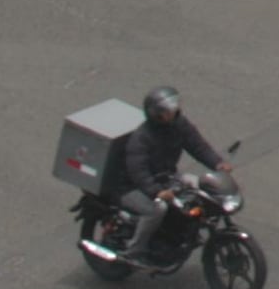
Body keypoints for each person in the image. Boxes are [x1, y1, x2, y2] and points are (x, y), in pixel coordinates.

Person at [88, 85, 229, 262]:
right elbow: (138, 171)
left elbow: (197, 146)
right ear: (156, 114)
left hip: (166, 177)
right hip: (131, 187)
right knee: (156, 209)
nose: (173, 112)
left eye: (173, 108)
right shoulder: (141, 138)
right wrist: (156, 192)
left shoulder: (179, 125)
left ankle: (184, 231)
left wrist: (217, 163)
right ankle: (135, 251)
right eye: (167, 111)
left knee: (198, 185)